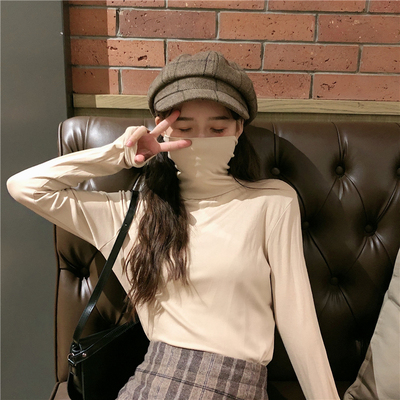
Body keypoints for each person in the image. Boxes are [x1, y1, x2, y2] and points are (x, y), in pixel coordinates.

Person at [7, 51, 340, 400]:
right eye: (184, 128)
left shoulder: (272, 201)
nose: (201, 140)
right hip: (152, 383)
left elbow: (297, 318)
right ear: (162, 128)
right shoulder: (130, 212)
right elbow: (24, 187)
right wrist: (119, 153)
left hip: (238, 385)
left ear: (239, 128)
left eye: (218, 128)